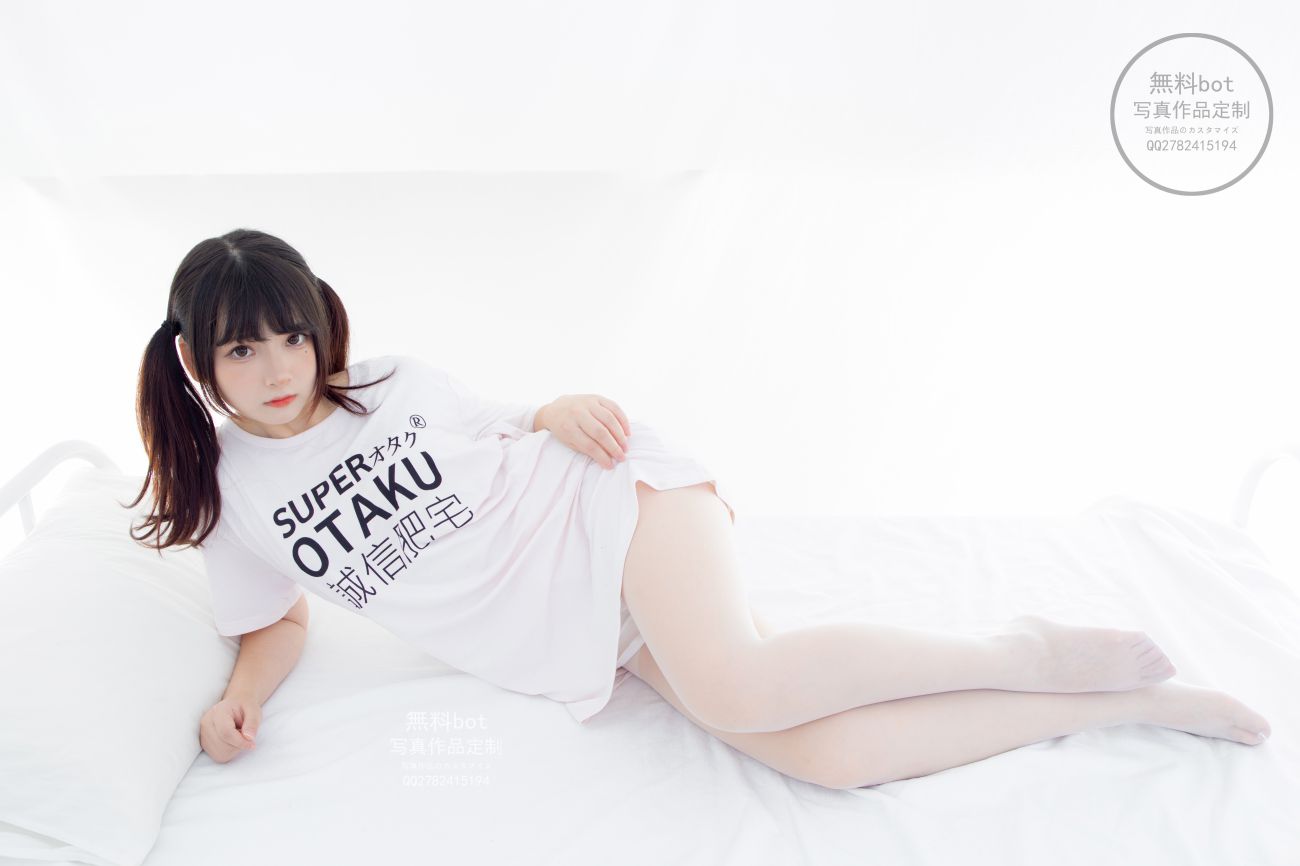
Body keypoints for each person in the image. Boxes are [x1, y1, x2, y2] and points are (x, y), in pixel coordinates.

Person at [127, 228, 1271, 789]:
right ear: (197, 361)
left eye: (290, 333)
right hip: (577, 630)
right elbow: (276, 618)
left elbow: (510, 424)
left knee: (734, 680)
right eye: (242, 349)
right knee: (825, 760)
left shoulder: (391, 380)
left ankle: (1019, 651)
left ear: (319, 320)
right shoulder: (235, 496)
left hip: (611, 509)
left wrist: (558, 406)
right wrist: (238, 698)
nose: (278, 367)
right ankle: (1119, 706)